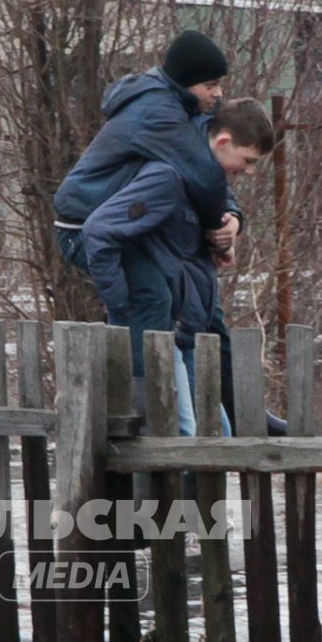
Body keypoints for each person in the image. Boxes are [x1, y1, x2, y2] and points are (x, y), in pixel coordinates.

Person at [77, 99, 276, 438]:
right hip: (169, 325)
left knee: (217, 433)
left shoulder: (205, 177)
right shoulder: (169, 175)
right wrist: (120, 307)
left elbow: (216, 206)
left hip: (190, 322)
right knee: (183, 431)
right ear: (224, 142)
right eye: (248, 161)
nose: (250, 171)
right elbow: (99, 231)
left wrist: (232, 225)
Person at [55, 30, 243, 385]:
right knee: (152, 297)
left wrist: (231, 218)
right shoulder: (157, 111)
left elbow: (208, 163)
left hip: (134, 224)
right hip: (86, 227)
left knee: (205, 306)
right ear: (187, 82)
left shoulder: (183, 109)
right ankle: (142, 401)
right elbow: (201, 172)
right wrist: (217, 231)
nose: (218, 93)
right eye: (210, 84)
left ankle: (237, 412)